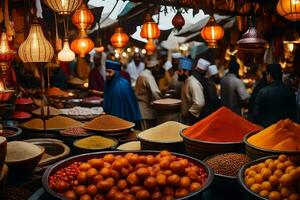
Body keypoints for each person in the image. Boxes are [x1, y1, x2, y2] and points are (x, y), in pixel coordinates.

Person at [103, 60, 142, 126]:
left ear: (117, 72)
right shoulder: (109, 83)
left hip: (121, 122)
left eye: (109, 72)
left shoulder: (122, 85)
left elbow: (117, 110)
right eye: (106, 71)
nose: (107, 74)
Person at [135, 58, 162, 130]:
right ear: (155, 67)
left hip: (141, 109)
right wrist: (162, 102)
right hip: (146, 110)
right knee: (146, 134)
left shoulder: (143, 74)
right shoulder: (148, 76)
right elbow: (155, 92)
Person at [178, 57, 206, 125]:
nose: (177, 73)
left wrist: (189, 113)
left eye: (180, 71)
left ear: (186, 72)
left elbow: (200, 103)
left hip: (192, 120)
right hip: (186, 119)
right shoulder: (185, 82)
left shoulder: (193, 83)